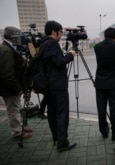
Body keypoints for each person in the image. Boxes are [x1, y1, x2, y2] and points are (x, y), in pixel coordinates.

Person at [39, 20, 76, 152]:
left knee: (52, 113)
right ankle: (62, 143)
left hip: (48, 85)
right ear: (54, 32)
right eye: (60, 32)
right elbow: (59, 62)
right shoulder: (52, 45)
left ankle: (56, 137)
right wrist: (70, 55)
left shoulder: (43, 44)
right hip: (57, 86)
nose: (61, 34)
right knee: (62, 113)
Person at [94, 27, 115, 141]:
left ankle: (103, 131)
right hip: (114, 82)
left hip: (100, 83)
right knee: (113, 108)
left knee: (101, 108)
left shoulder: (97, 47)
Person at [0, 26, 32, 139]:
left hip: (11, 86)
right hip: (9, 88)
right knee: (13, 110)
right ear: (13, 36)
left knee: (16, 108)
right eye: (18, 35)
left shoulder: (9, 47)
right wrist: (17, 88)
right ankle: (17, 132)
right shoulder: (6, 50)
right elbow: (6, 74)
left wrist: (21, 59)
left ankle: (20, 127)